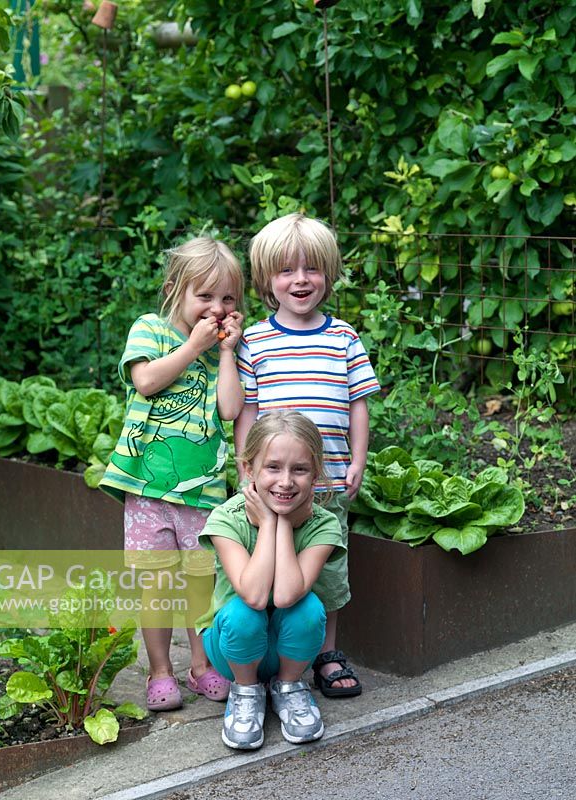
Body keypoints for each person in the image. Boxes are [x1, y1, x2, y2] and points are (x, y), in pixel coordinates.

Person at [234, 213, 380, 699]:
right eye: (286, 271)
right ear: (266, 280)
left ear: (329, 274)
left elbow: (357, 404)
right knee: (274, 566)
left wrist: (357, 459)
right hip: (275, 487)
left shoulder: (344, 338)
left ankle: (325, 655)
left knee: (328, 575)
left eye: (312, 269)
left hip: (327, 482)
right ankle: (279, 656)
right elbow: (248, 413)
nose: (300, 280)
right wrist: (247, 468)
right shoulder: (255, 341)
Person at [100, 236, 244, 711]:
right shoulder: (150, 328)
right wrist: (194, 346)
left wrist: (224, 353)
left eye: (227, 299)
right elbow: (145, 380)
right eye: (205, 296)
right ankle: (160, 671)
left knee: (201, 580)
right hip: (146, 487)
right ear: (174, 289)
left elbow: (229, 408)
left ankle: (202, 666)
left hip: (203, 491)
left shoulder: (223, 349)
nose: (217, 308)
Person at [197, 411, 346, 749]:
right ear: (249, 469)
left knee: (308, 608)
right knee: (243, 612)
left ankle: (289, 687)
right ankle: (246, 691)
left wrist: (280, 523)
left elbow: (286, 595)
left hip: (288, 651)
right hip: (231, 651)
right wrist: (268, 523)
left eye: (300, 470)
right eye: (273, 467)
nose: (286, 481)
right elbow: (254, 595)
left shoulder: (323, 525)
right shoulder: (226, 518)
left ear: (316, 474)